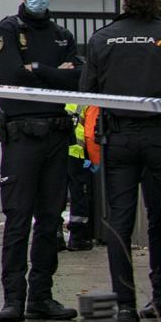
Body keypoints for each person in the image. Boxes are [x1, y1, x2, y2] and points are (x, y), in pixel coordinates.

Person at [0, 0, 79, 322]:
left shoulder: (62, 36)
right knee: (18, 219)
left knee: (50, 218)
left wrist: (37, 71)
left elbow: (78, 81)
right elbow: (11, 75)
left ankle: (41, 297)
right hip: (21, 135)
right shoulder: (8, 29)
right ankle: (13, 297)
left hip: (56, 135)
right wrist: (55, 74)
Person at [80, 0, 161, 322]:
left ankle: (125, 307)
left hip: (119, 140)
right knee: (160, 222)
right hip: (159, 139)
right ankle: (159, 300)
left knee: (120, 224)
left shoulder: (103, 38)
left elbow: (86, 93)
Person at [64, 103, 96, 251]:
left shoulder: (59, 98)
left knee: (55, 192)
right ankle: (78, 237)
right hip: (78, 154)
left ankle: (55, 235)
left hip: (57, 152)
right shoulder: (85, 101)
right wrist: (95, 163)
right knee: (79, 193)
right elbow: (90, 133)